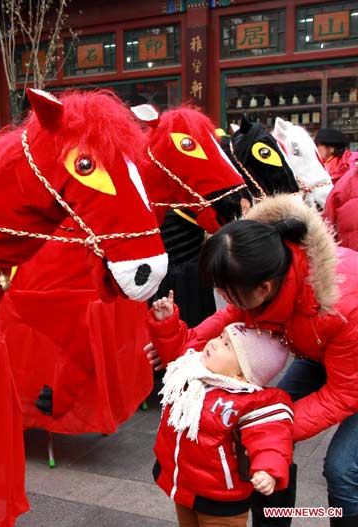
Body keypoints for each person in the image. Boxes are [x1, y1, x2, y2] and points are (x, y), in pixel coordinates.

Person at [145, 194, 358, 527]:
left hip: (349, 358)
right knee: (267, 445)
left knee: (341, 469)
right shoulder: (264, 268)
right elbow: (227, 319)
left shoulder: (343, 304)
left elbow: (345, 393)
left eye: (229, 292)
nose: (227, 301)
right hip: (323, 351)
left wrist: (262, 427)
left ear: (264, 288)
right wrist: (181, 343)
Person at [148, 290, 293, 527]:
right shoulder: (194, 368)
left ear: (241, 374)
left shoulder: (251, 402)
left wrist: (267, 470)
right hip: (185, 484)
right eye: (220, 337)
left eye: (226, 345)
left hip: (221, 500)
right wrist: (166, 323)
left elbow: (270, 439)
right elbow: (174, 351)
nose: (214, 343)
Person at [315, 128, 358, 251]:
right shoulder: (318, 169)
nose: (315, 150)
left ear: (331, 148)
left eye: (318, 146)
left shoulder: (350, 167)